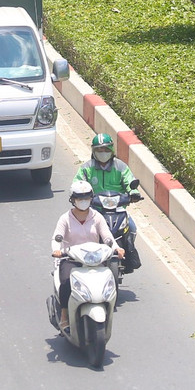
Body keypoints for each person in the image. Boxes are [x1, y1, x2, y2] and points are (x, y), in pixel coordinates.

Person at [51, 180, 123, 329]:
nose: (83, 201)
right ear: (72, 199)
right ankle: (65, 314)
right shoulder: (65, 219)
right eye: (79, 198)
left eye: (86, 198)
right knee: (66, 282)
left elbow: (107, 237)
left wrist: (117, 248)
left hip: (95, 259)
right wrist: (57, 250)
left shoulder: (97, 217)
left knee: (108, 282)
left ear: (91, 198)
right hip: (72, 259)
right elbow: (57, 238)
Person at [75, 134, 140, 269]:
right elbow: (77, 183)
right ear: (93, 151)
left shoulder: (121, 166)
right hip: (94, 210)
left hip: (118, 209)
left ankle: (129, 257)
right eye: (99, 150)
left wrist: (134, 193)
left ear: (112, 150)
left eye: (106, 149)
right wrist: (79, 194)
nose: (103, 153)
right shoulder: (87, 168)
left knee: (132, 227)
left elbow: (129, 180)